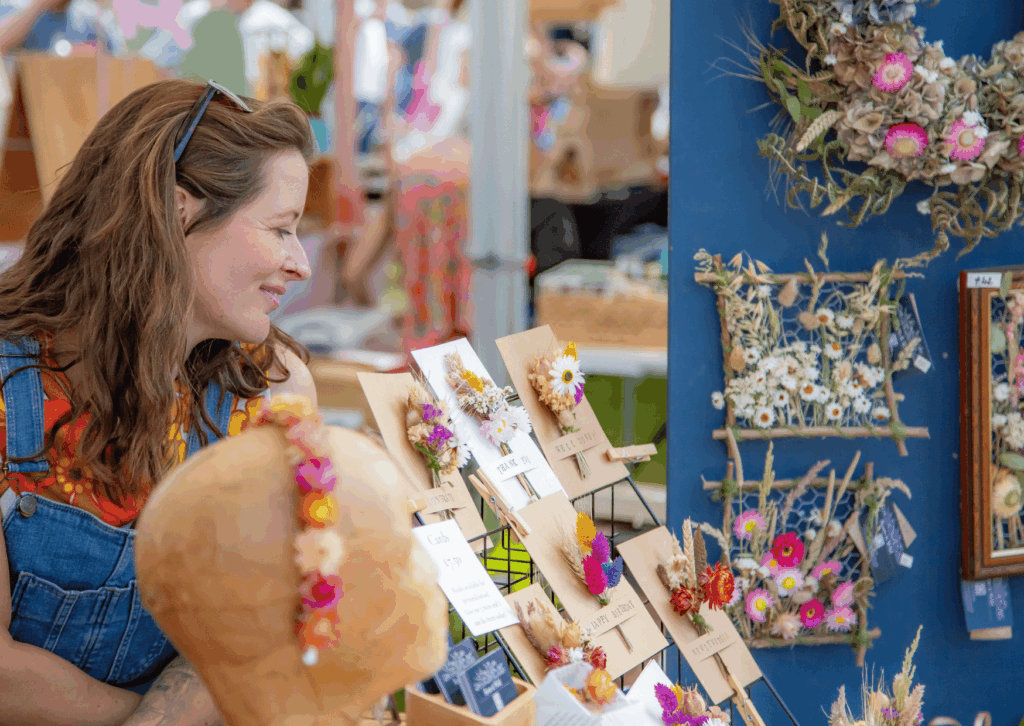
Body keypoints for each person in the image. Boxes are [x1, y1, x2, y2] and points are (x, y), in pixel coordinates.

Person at [0, 78, 319, 726]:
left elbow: (251, 633)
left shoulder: (270, 394)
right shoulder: (11, 394)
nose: (301, 264)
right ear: (178, 212)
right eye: (281, 229)